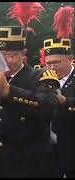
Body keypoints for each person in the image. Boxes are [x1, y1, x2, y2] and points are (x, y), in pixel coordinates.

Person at [0, 26, 60, 177]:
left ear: (23, 54)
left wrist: (8, 90)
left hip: (29, 166)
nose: (3, 61)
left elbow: (49, 108)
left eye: (10, 55)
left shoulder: (41, 75)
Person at [43, 37, 75, 177]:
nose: (52, 67)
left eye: (57, 62)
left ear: (70, 58)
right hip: (48, 151)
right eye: (48, 63)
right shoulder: (42, 78)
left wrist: (66, 102)